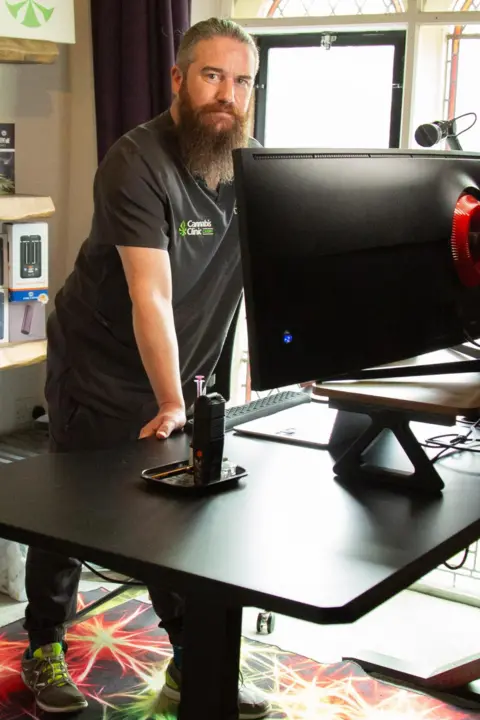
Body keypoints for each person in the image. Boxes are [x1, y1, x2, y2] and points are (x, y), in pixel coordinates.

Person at [20, 17, 271, 719]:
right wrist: (170, 401)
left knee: (181, 517)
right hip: (100, 362)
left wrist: (238, 378)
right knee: (71, 511)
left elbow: (258, 277)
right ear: (178, 79)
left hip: (183, 372)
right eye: (213, 76)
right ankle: (43, 646)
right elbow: (150, 295)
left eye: (242, 80)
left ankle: (193, 662)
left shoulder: (247, 165)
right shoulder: (138, 161)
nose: (228, 94)